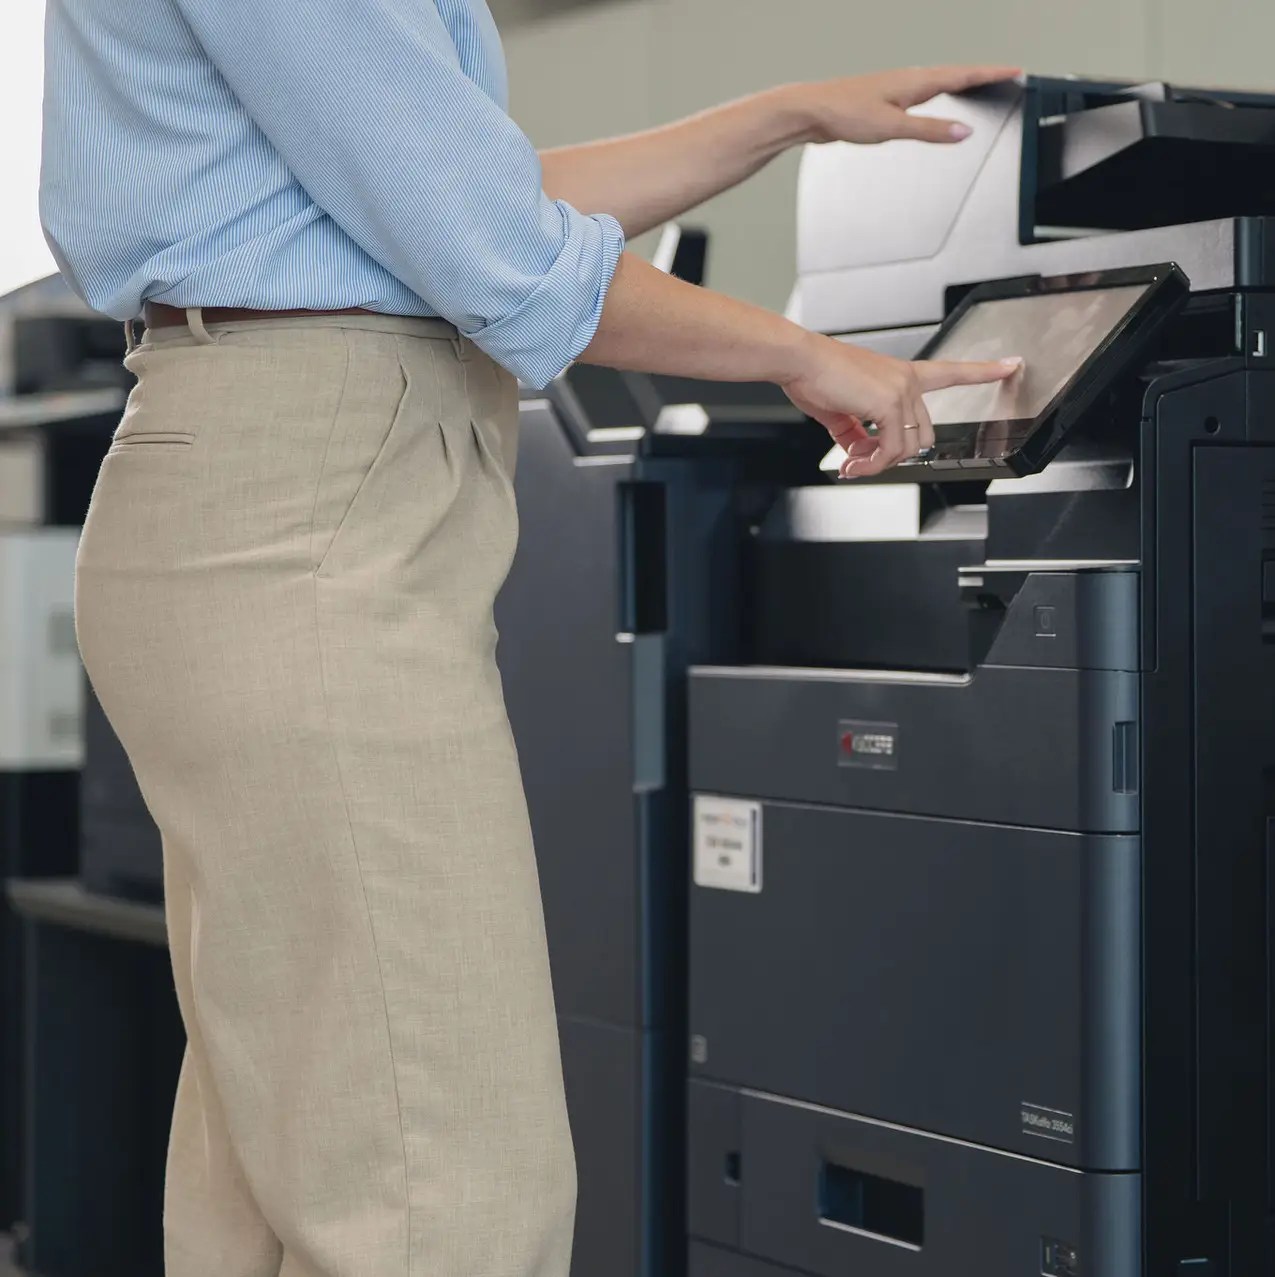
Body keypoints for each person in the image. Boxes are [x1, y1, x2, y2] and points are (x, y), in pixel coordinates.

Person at [39, 1, 1020, 1272]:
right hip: (306, 509)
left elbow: (450, 192)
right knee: (443, 1186)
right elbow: (489, 242)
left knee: (286, 1154)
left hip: (278, 488)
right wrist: (805, 357)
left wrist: (779, 118)